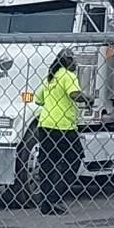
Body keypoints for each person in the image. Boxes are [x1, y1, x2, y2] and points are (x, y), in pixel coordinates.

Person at [29, 52, 84, 213]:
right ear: (67, 62)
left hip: (45, 125)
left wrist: (54, 99)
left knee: (48, 164)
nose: (76, 63)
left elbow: (38, 99)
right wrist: (87, 98)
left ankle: (46, 203)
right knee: (74, 158)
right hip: (64, 126)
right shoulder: (69, 76)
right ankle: (55, 197)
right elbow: (74, 94)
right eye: (74, 60)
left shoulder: (50, 78)